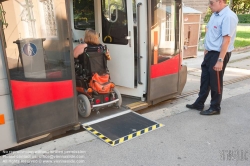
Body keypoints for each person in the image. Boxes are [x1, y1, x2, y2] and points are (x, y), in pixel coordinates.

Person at [186, 0, 238, 115]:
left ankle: (215, 107)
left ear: (220, 1)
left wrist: (220, 60)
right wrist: (206, 49)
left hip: (219, 54)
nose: (209, 5)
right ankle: (199, 103)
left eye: (211, 3)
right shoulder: (215, 15)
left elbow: (227, 40)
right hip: (210, 52)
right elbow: (209, 31)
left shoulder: (228, 17)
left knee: (216, 81)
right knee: (205, 79)